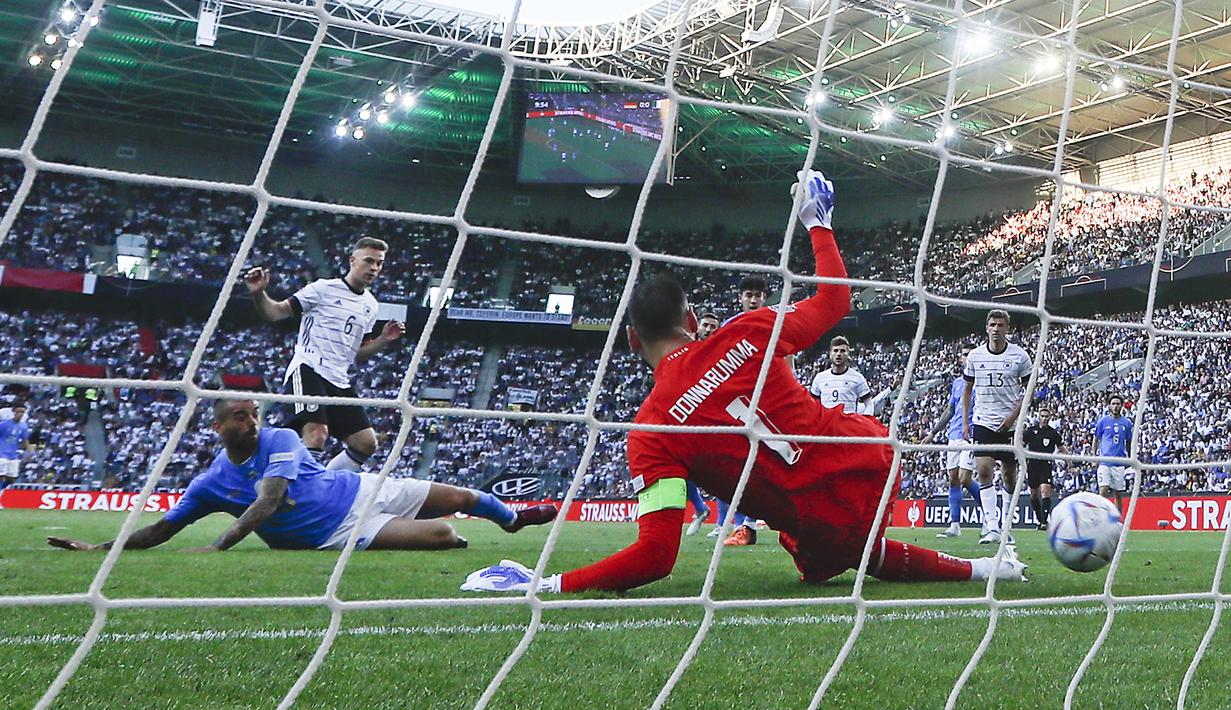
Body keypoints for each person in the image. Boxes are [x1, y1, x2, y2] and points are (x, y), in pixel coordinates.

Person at [460, 170, 1025, 594]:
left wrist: (548, 583)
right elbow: (835, 301)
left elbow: (655, 557)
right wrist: (817, 222)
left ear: (632, 342)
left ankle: (975, 564)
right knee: (843, 549)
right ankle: (983, 566)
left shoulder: (650, 431)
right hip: (869, 458)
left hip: (810, 516)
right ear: (694, 322)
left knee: (827, 542)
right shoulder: (745, 332)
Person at [47, 399, 557, 553]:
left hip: (361, 488)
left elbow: (269, 501)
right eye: (240, 417)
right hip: (337, 532)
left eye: (254, 414)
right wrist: (101, 549)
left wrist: (221, 543)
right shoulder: (210, 484)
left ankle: (512, 520)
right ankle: (458, 537)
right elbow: (163, 528)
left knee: (466, 494)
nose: (252, 422)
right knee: (446, 533)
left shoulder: (281, 440)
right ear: (218, 427)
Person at [244, 237, 406, 471]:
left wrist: (383, 340)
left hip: (338, 379)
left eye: (379, 263)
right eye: (369, 261)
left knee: (366, 444)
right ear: (352, 260)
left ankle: (322, 483)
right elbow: (276, 313)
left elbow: (357, 354)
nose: (374, 268)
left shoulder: (371, 305)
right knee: (317, 433)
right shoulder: (323, 289)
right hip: (308, 368)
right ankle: (304, 491)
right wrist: (259, 294)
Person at [961, 309, 1032, 546]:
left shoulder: (1020, 356)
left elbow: (1028, 391)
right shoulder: (975, 356)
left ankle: (1006, 525)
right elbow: (967, 389)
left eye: (1001, 325)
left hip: (1010, 425)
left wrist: (1013, 417)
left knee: (1009, 476)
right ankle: (991, 526)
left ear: (1007, 329)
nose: (996, 328)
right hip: (983, 420)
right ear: (986, 328)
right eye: (992, 324)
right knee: (983, 471)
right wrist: (965, 420)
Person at [711, 276, 769, 546]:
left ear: (765, 297)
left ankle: (749, 524)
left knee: (765, 466)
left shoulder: (776, 321)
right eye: (749, 294)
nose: (754, 299)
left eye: (758, 294)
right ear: (741, 298)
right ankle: (741, 525)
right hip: (738, 403)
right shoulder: (729, 326)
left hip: (770, 400)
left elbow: (788, 358)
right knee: (731, 465)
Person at [922, 346, 982, 538]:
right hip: (953, 435)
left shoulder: (982, 381)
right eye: (965, 354)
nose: (968, 357)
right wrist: (933, 432)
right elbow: (950, 411)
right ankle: (954, 525)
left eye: (971, 354)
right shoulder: (957, 383)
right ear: (960, 359)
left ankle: (991, 521)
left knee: (965, 478)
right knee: (953, 480)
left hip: (972, 434)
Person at [684, 312, 721, 536]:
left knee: (723, 470)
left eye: (713, 326)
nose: (709, 329)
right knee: (680, 466)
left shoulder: (723, 353)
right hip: (690, 416)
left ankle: (731, 523)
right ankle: (700, 509)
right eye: (706, 325)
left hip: (716, 417)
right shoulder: (689, 350)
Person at [1024, 406, 1066, 530]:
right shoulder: (1030, 431)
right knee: (1033, 494)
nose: (1044, 419)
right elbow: (1021, 444)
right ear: (1039, 417)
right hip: (1032, 465)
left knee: (1045, 490)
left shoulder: (1053, 433)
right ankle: (1040, 519)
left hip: (1045, 465)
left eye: (1046, 416)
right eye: (1042, 416)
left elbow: (1062, 448)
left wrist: (1070, 463)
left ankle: (1043, 522)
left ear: (1050, 418)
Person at [809, 336, 873, 414]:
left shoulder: (857, 378)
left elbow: (869, 403)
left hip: (848, 424)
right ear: (830, 353)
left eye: (842, 351)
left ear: (848, 354)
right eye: (835, 351)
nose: (838, 354)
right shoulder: (819, 378)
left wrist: (865, 421)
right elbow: (812, 405)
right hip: (827, 425)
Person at [1092, 393, 1133, 510]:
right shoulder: (1103, 422)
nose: (1115, 406)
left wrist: (1130, 458)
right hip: (1104, 462)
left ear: (1122, 406)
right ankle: (1100, 518)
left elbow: (1129, 442)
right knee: (1103, 490)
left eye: (1118, 404)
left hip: (1119, 462)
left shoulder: (1127, 423)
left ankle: (1118, 521)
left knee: (1118, 494)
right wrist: (1094, 458)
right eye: (1113, 404)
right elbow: (1095, 440)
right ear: (1109, 406)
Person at [0, 403, 31, 509]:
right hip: (1, 454)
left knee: (12, 478)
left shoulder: (23, 426)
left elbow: (25, 440)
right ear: (14, 412)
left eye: (23, 412)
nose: (20, 414)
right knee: (1, 476)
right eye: (19, 411)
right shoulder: (4, 424)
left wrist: (29, 451)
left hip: (13, 455)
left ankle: (1, 492)